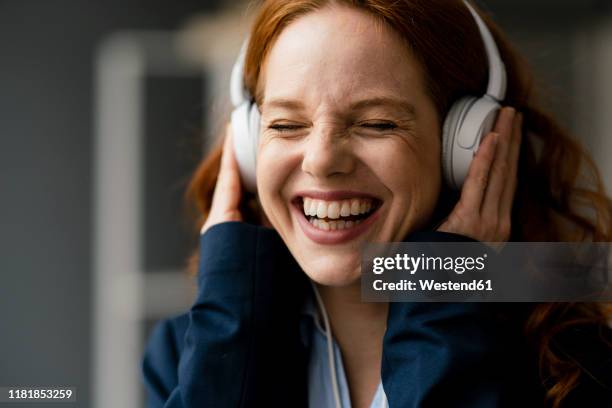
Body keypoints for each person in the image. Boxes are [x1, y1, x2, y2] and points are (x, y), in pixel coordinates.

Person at [142, 1, 612, 407]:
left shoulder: (574, 359)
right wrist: (230, 339)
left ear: (466, 144)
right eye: (285, 125)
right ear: (247, 146)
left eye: (379, 124)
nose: (322, 161)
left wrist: (441, 292)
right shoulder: (190, 351)